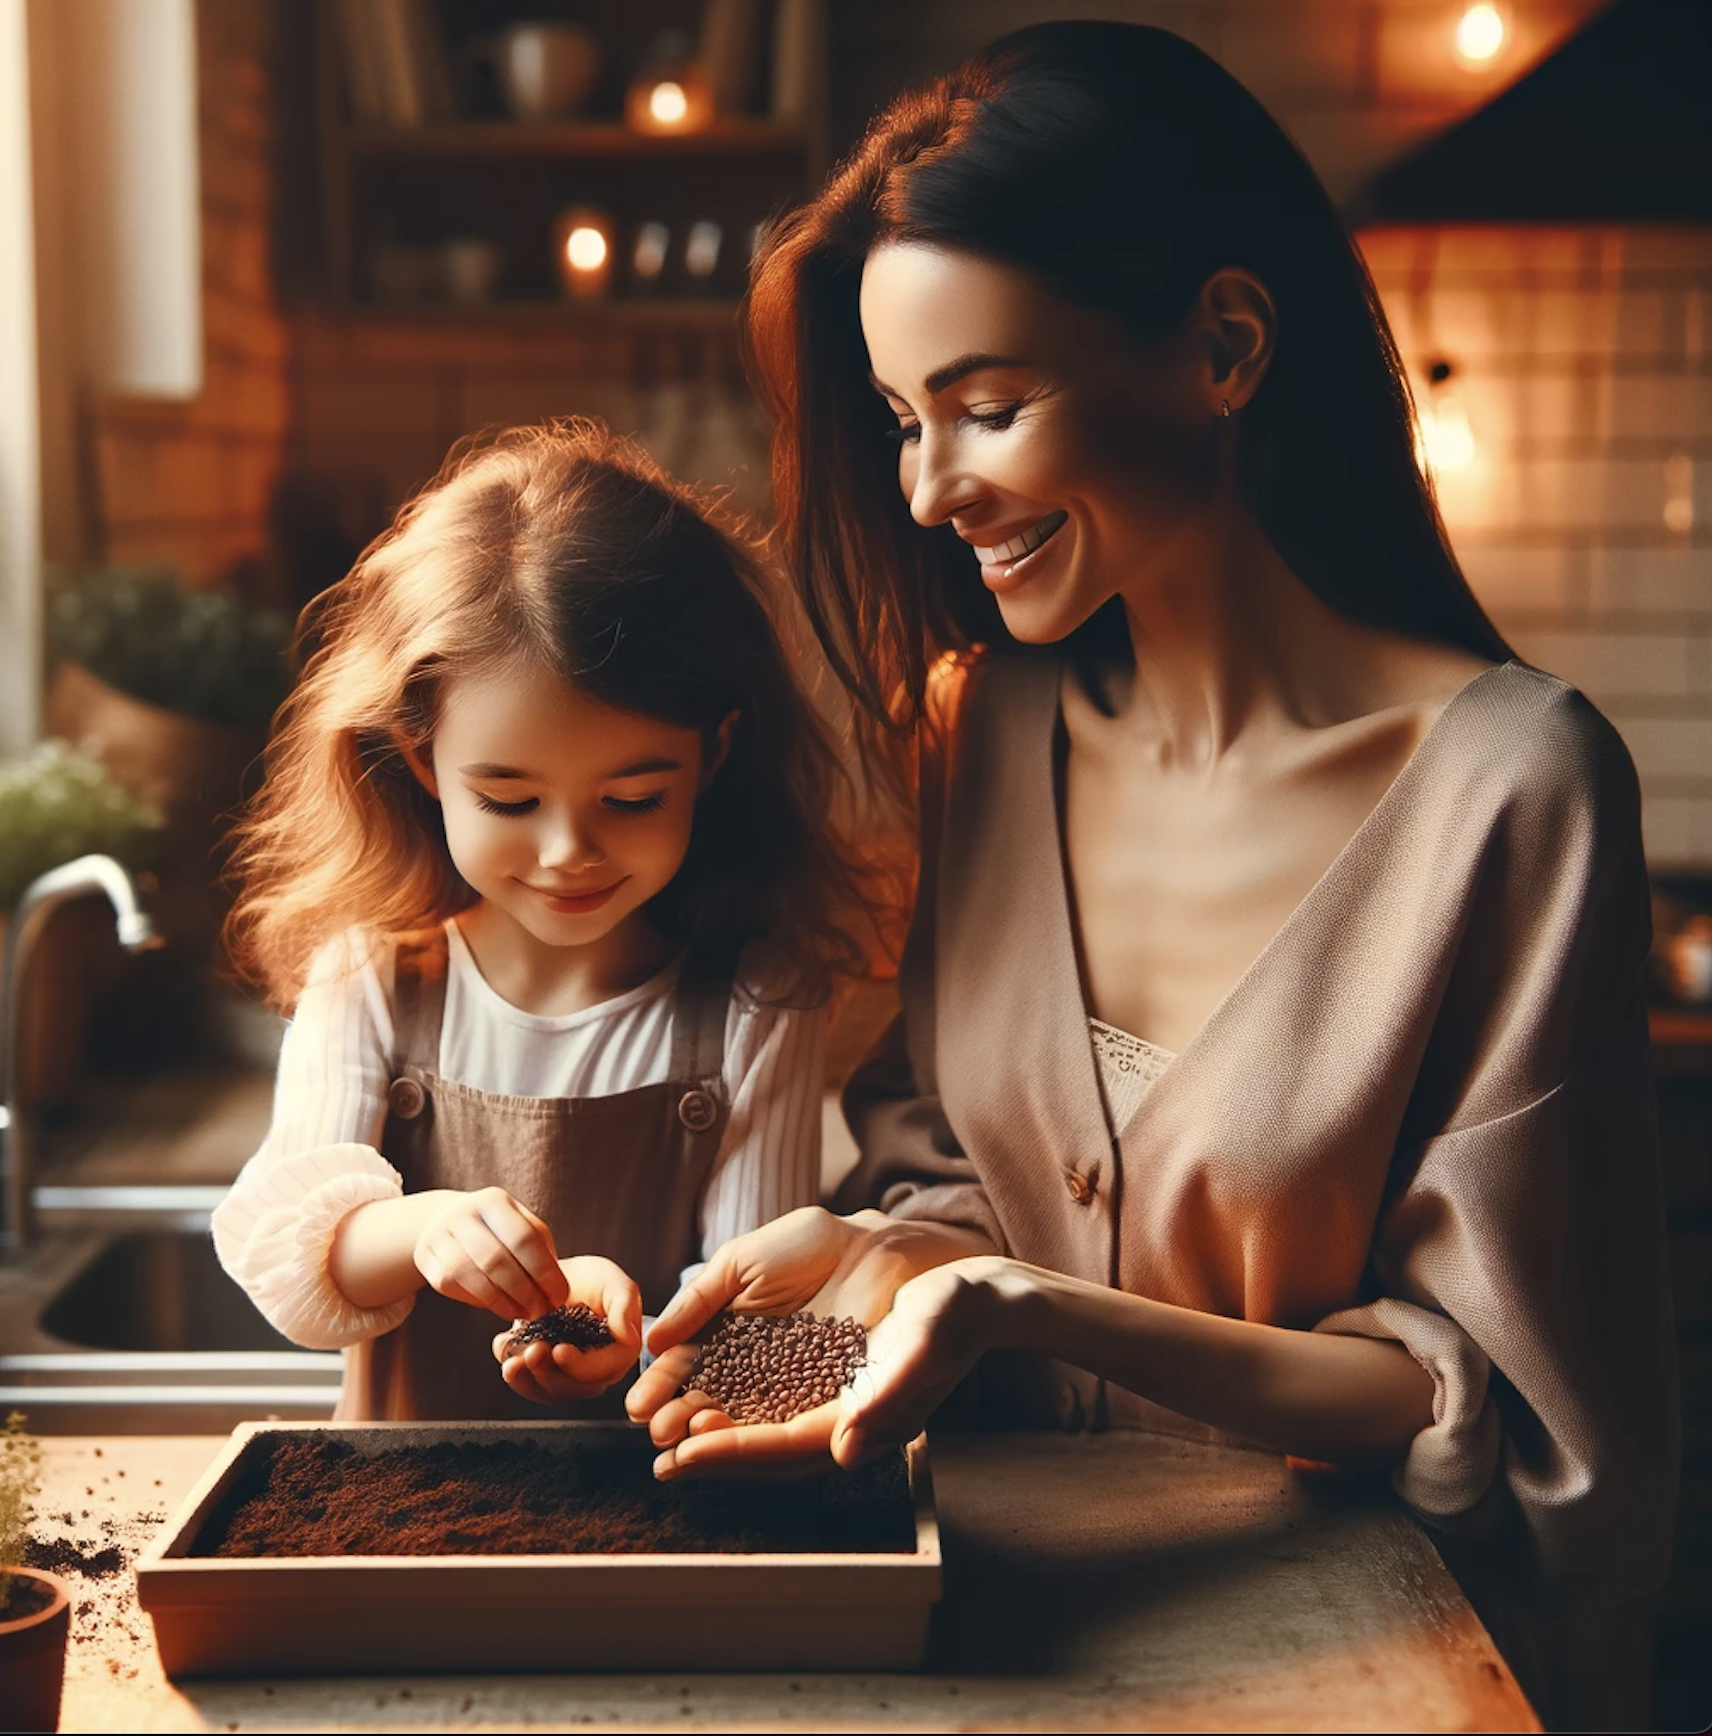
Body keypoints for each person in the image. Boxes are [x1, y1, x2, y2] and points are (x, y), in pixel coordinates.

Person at [626, 20, 1677, 1719]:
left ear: (1227, 345)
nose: (927, 490)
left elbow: (1477, 1398)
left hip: (1360, 1669)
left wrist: (1021, 1304)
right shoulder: (976, 726)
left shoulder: (1516, 790)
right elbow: (960, 1187)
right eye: (904, 420)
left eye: (986, 407)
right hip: (1010, 1643)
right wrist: (857, 1281)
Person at [213, 419, 872, 1421]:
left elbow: (762, 1335)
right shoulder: (372, 978)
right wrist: (421, 1226)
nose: (569, 849)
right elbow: (280, 1251)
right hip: (403, 1534)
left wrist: (632, 1339)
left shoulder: (755, 999)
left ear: (713, 753)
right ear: (422, 756)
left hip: (652, 1526)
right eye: (510, 800)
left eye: (634, 796)